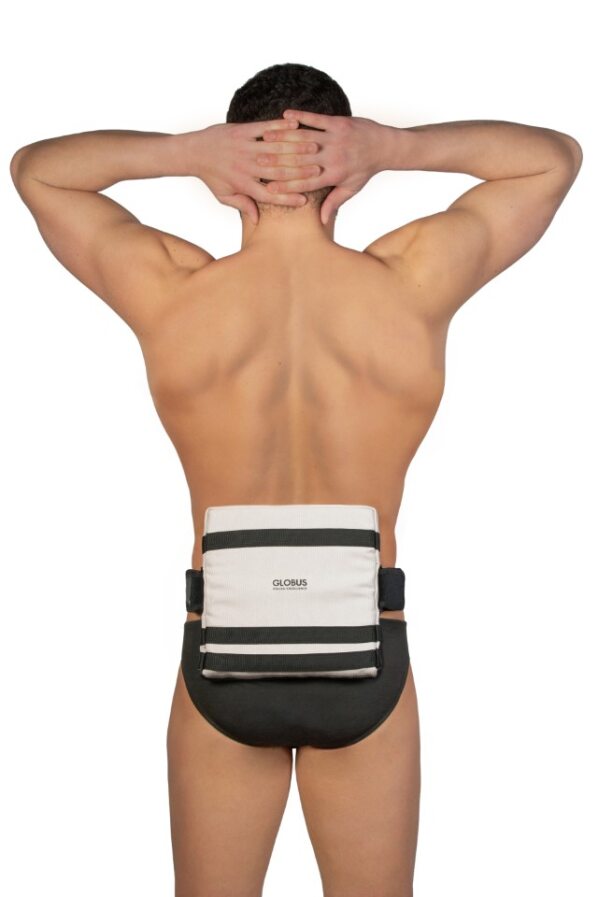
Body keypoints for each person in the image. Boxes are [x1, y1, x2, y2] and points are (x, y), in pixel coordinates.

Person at [10, 61, 582, 897]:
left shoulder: (170, 290)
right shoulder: (414, 281)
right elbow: (553, 159)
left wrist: (186, 153)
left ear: (232, 162)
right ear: (340, 168)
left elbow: (37, 171)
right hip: (363, 646)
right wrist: (392, 147)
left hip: (224, 646)